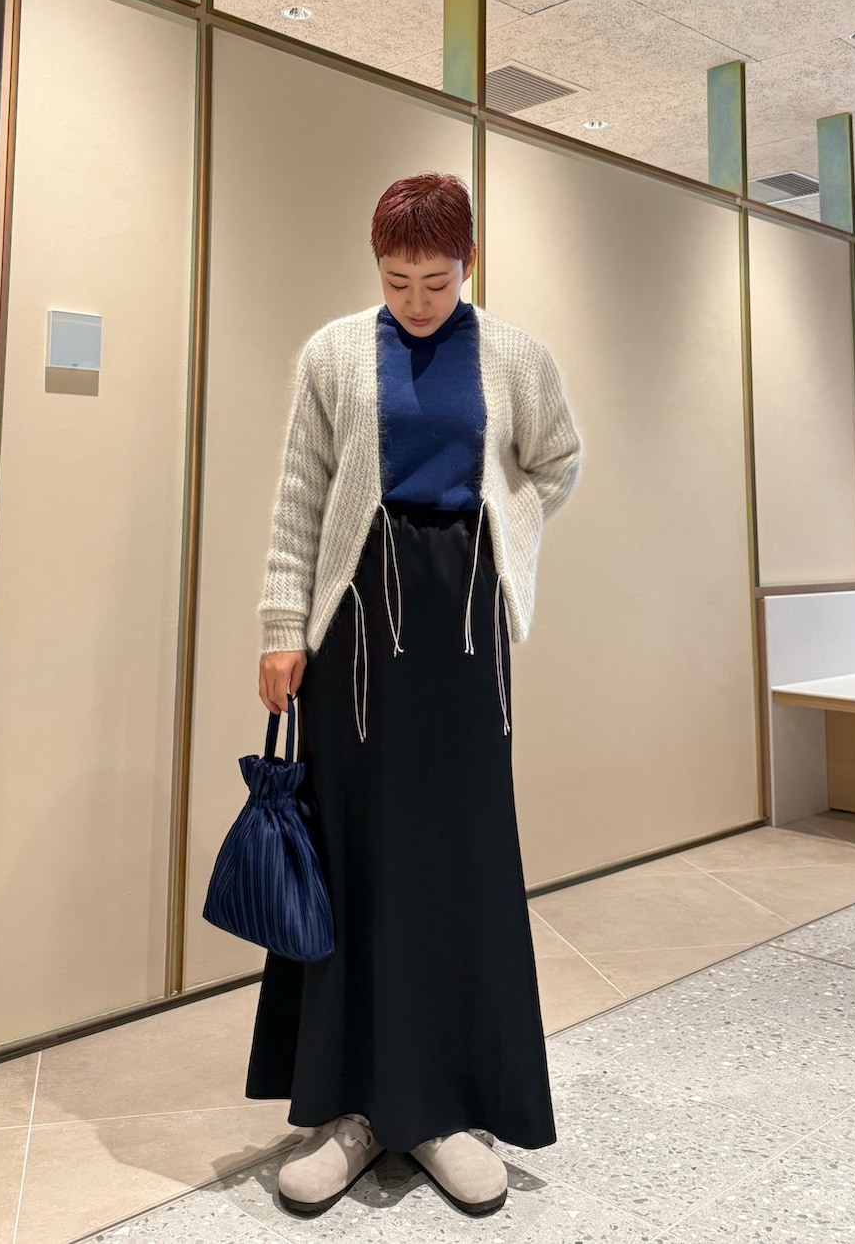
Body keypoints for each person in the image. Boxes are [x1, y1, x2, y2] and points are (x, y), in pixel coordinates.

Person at [247, 171, 583, 1219]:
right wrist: (281, 626)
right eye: (397, 281)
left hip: (464, 622)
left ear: (467, 263)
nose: (416, 300)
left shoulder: (515, 356)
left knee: (460, 852)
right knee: (355, 850)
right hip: (354, 624)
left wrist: (502, 528)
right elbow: (301, 492)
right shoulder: (333, 352)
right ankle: (349, 1109)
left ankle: (444, 1110)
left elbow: (558, 461)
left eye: (435, 281)